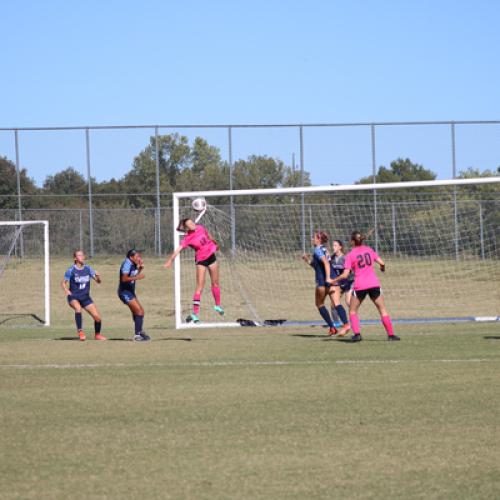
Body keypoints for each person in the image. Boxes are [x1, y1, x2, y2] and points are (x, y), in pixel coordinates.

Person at [331, 231, 400, 342]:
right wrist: (382, 268)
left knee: (353, 311)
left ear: (352, 241)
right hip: (373, 284)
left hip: (360, 285)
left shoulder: (350, 255)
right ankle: (391, 335)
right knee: (382, 309)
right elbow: (382, 263)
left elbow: (345, 274)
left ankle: (357, 334)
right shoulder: (369, 250)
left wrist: (333, 280)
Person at [164, 218, 224, 323]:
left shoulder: (201, 228)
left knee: (215, 283)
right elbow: (178, 250)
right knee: (199, 287)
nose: (193, 224)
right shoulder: (187, 238)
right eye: (190, 224)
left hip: (211, 256)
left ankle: (218, 305)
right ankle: (195, 314)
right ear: (187, 228)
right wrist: (170, 260)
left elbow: (209, 236)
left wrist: (215, 244)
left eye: (192, 222)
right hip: (201, 260)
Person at [61, 250, 105, 341]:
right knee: (78, 308)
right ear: (75, 258)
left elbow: (98, 282)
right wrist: (66, 290)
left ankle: (97, 335)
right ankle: (80, 332)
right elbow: (63, 283)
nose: (82, 257)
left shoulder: (88, 268)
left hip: (85, 297)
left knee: (98, 318)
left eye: (82, 255)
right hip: (73, 297)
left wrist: (98, 276)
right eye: (79, 255)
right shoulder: (71, 270)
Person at [302, 231, 337, 336]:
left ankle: (332, 327)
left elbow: (326, 263)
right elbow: (317, 266)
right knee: (336, 304)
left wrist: (327, 278)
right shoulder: (324, 249)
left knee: (319, 304)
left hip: (323, 281)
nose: (312, 239)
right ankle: (343, 325)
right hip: (331, 281)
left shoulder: (317, 250)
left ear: (319, 239)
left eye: (314, 238)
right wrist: (307, 260)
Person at [118, 249, 150, 341]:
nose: (139, 258)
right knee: (139, 312)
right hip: (124, 292)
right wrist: (138, 277)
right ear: (131, 257)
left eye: (139, 256)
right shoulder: (127, 264)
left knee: (140, 312)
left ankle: (139, 331)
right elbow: (124, 279)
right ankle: (137, 335)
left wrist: (140, 269)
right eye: (137, 256)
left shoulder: (133, 264)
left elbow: (133, 274)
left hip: (130, 292)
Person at [330, 239, 353, 336]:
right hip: (339, 283)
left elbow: (349, 272)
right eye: (333, 245)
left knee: (349, 302)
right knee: (333, 304)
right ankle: (337, 323)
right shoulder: (332, 258)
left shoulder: (345, 258)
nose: (333, 247)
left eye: (335, 245)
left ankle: (354, 322)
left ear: (340, 247)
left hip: (348, 282)